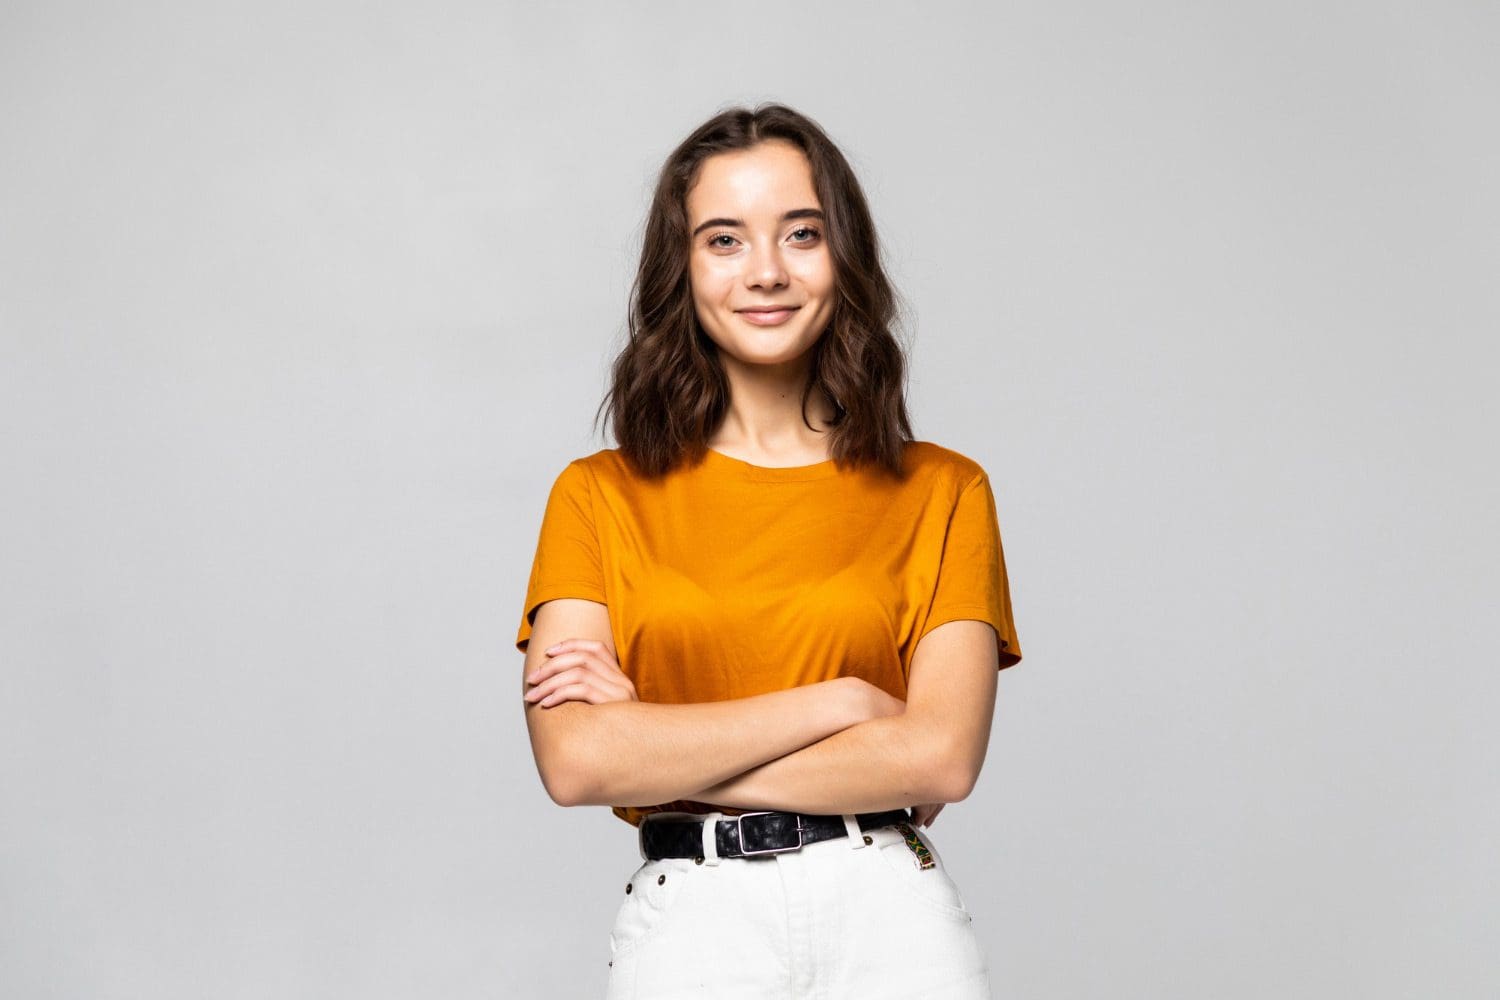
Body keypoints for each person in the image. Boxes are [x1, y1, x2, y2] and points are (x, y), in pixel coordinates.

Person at [515, 102, 1023, 999]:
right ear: (682, 269)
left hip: (890, 923)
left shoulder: (945, 490)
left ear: (844, 259)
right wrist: (849, 702)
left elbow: (942, 759)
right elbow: (578, 763)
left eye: (801, 234)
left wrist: (662, 744)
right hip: (695, 930)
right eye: (724, 240)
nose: (766, 272)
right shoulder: (597, 496)